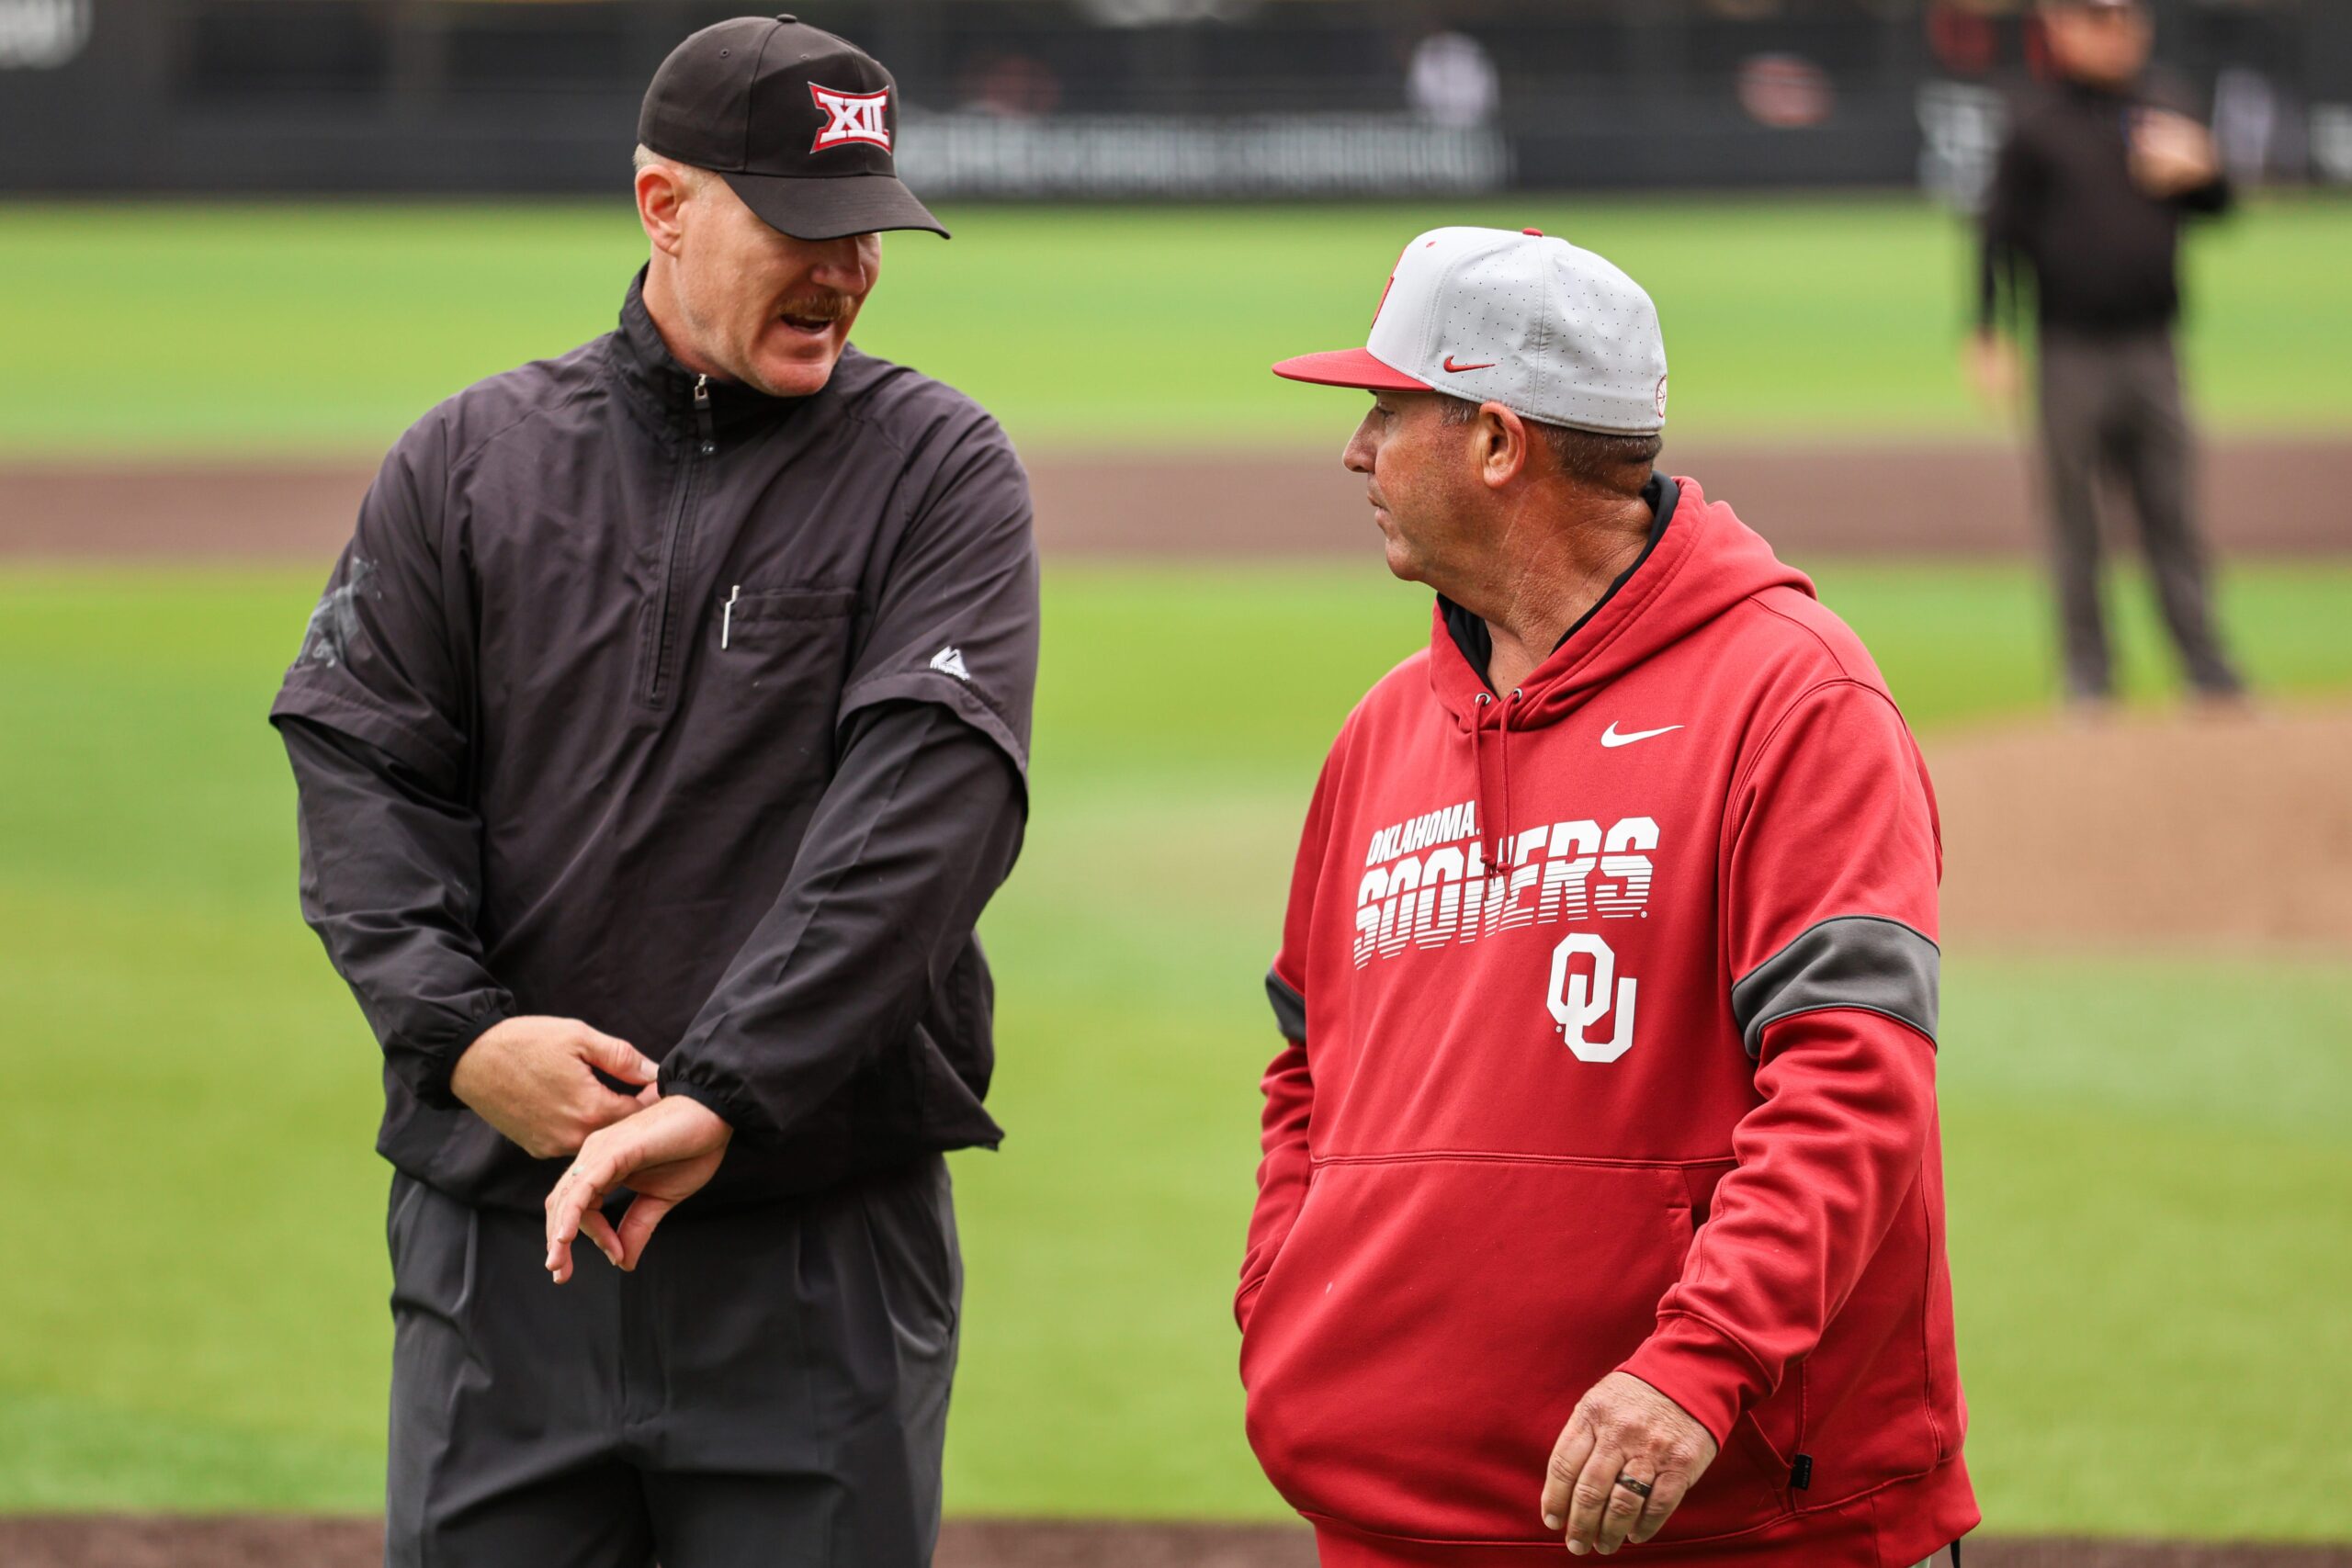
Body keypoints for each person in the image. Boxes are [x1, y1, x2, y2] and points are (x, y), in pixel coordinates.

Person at [270, 17, 1038, 1566]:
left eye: (868, 232)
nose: (845, 272)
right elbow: (361, 770)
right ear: (661, 204)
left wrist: (718, 1095)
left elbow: (923, 825)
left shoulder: (937, 470)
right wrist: (461, 1032)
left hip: (813, 1262)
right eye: (802, 227)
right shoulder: (466, 465)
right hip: (505, 1259)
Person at [1239, 227, 1976, 1566]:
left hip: (1735, 1524)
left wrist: (1702, 1361)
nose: (1354, 451)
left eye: (1385, 409)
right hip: (1393, 1519)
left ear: (1499, 442)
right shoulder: (1380, 735)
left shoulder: (1793, 700)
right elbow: (1308, 1070)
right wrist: (1286, 1301)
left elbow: (1854, 1077)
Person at [1972, 0, 2243, 706]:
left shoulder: (2165, 104)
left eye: (2128, 17)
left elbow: (2220, 206)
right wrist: (1988, 330)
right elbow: (1995, 234)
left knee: (2173, 516)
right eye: (2101, 17)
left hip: (2155, 346)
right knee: (2074, 523)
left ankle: (2208, 670)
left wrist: (2206, 173)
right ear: (2063, 29)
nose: (2119, 31)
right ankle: (2089, 678)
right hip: (2070, 350)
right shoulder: (2034, 120)